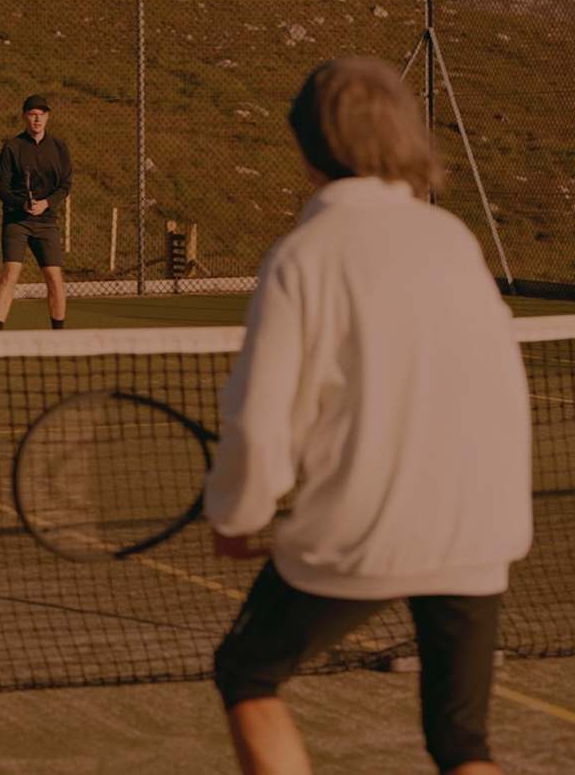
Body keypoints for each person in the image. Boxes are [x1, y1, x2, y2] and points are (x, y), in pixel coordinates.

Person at [205, 59, 531, 775]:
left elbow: (263, 422)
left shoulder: (304, 254)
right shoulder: (453, 241)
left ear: (307, 144)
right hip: (481, 524)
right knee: (461, 745)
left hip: (363, 531)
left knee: (247, 673)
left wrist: (235, 516)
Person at [0, 94, 71, 330]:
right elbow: (1, 188)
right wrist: (22, 205)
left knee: (54, 277)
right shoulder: (12, 147)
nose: (37, 119)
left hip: (47, 222)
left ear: (47, 117)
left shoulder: (59, 147)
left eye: (42, 115)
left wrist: (46, 203)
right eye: (32, 115)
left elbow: (65, 185)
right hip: (17, 221)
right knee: (10, 273)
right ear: (25, 117)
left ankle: (59, 335)